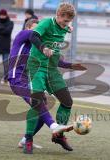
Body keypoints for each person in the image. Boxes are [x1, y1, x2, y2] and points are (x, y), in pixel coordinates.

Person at [8, 19, 86, 153]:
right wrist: (64, 27)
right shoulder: (24, 35)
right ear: (28, 27)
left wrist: (71, 65)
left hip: (31, 77)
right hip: (18, 77)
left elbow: (55, 60)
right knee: (38, 102)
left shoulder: (39, 47)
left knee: (41, 104)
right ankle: (53, 127)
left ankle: (28, 138)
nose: (40, 31)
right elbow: (35, 34)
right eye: (37, 27)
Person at [26, 3, 79, 154]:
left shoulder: (65, 27)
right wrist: (43, 48)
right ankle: (28, 139)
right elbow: (33, 35)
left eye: (69, 21)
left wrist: (67, 27)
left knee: (67, 102)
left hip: (51, 69)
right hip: (36, 67)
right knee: (37, 103)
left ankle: (59, 135)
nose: (66, 23)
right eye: (64, 20)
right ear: (58, 15)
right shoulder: (47, 23)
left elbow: (62, 30)